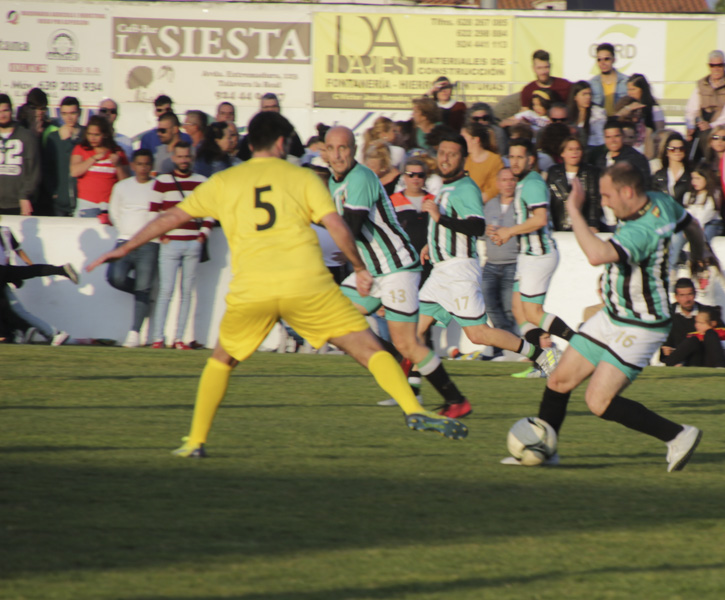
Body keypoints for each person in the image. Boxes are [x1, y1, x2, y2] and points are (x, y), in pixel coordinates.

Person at [88, 112, 469, 456]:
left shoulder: (225, 181)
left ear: (249, 143)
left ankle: (194, 441)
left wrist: (126, 248)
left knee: (221, 360)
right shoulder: (302, 176)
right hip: (307, 285)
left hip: (253, 290)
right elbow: (338, 225)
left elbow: (170, 217)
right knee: (369, 349)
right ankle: (413, 408)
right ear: (282, 143)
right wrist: (358, 265)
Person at [510, 163, 706, 470]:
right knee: (559, 380)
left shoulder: (641, 230)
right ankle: (546, 449)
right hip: (614, 315)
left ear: (627, 192)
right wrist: (700, 253)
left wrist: (573, 209)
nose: (603, 202)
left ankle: (678, 435)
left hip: (642, 326)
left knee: (598, 401)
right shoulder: (660, 201)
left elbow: (596, 255)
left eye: (606, 195)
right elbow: (691, 224)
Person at [323, 127, 475, 418]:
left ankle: (456, 400)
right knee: (333, 317)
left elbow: (350, 227)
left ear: (353, 150)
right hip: (371, 269)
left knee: (408, 342)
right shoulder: (333, 181)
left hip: (396, 268)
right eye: (332, 148)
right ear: (325, 153)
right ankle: (396, 361)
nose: (338, 154)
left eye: (343, 148)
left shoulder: (360, 177)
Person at [415, 131, 555, 376]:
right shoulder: (446, 186)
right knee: (412, 334)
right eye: (442, 153)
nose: (445, 158)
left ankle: (541, 355)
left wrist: (440, 218)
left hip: (458, 272)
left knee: (479, 334)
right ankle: (413, 398)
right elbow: (448, 224)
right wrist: (432, 242)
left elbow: (476, 226)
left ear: (463, 158)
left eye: (452, 154)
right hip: (441, 272)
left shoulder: (465, 188)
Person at [488, 140, 576, 372]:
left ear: (531, 160)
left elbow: (540, 219)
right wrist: (504, 234)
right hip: (527, 255)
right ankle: (544, 362)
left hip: (539, 255)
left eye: (520, 157)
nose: (515, 162)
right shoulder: (523, 183)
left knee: (533, 313)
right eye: (512, 157)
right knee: (519, 311)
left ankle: (578, 346)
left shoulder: (533, 183)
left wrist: (509, 231)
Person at [149, 142, 210, 350]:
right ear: (174, 158)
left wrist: (203, 234)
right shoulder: (162, 181)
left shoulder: (202, 182)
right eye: (181, 157)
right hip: (170, 243)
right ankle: (158, 337)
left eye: (187, 157)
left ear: (192, 158)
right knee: (166, 291)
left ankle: (179, 339)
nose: (184, 160)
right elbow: (153, 212)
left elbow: (211, 210)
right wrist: (162, 235)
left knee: (186, 294)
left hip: (193, 243)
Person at [106, 149, 161, 347]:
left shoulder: (159, 186)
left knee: (143, 286)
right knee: (115, 277)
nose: (143, 168)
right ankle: (143, 295)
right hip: (125, 241)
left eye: (147, 164)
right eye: (140, 164)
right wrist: (125, 232)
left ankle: (134, 333)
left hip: (150, 243)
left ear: (152, 166)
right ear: (133, 165)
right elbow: (115, 212)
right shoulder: (122, 186)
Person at [483, 167, 521, 342]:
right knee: (489, 305)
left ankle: (507, 344)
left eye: (512, 179)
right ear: (498, 183)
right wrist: (485, 230)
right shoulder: (489, 205)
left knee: (508, 308)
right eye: (504, 180)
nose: (508, 184)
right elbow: (480, 232)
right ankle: (505, 342)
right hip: (491, 264)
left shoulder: (521, 204)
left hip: (513, 263)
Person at [71, 115, 130, 223]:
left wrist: (118, 165)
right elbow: (74, 171)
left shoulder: (117, 151)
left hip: (109, 206)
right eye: (89, 134)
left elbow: (126, 181)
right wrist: (93, 158)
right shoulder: (80, 148)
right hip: (86, 205)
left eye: (96, 135)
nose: (92, 138)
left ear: (105, 134)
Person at [686, 50, 725, 161]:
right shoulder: (701, 84)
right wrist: (690, 126)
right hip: (703, 124)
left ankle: (714, 166)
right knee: (687, 142)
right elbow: (691, 109)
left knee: (708, 137)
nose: (716, 69)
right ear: (709, 66)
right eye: (713, 65)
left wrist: (712, 126)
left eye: (719, 65)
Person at [661, 277, 722, 363]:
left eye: (690, 294)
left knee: (709, 334)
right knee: (693, 341)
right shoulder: (667, 313)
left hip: (704, 358)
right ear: (676, 297)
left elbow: (724, 336)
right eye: (682, 295)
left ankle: (720, 369)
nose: (687, 299)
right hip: (678, 359)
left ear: (695, 294)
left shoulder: (708, 312)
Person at [547, 137, 602, 232]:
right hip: (559, 228)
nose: (574, 152)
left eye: (578, 149)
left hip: (585, 228)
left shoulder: (591, 172)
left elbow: (594, 200)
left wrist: (593, 224)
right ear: (562, 153)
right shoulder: (553, 172)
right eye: (570, 149)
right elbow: (550, 201)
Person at [41, 96, 82, 216]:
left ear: (79, 112)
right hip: (60, 202)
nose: (69, 117)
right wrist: (53, 192)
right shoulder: (53, 137)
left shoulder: (87, 136)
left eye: (72, 113)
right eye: (64, 113)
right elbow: (47, 168)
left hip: (83, 200)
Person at [0, 94, 40, 216]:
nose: (2, 115)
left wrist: (25, 195)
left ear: (12, 110)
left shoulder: (26, 136)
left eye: (5, 110)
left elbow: (34, 170)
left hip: (18, 204)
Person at [237, 93, 305, 162]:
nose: (270, 110)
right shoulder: (252, 135)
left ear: (279, 109)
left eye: (274, 106)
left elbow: (299, 157)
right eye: (266, 107)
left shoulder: (291, 135)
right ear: (261, 110)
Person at [593, 118, 651, 189]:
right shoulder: (600, 159)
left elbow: (645, 185)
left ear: (623, 136)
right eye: (608, 137)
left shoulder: (637, 159)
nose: (612, 140)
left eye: (616, 136)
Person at [462, 122, 501, 202]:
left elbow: (495, 188)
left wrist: (476, 200)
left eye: (463, 138)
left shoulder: (494, 160)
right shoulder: (464, 160)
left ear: (476, 139)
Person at [589, 43, 630, 116]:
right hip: (599, 123)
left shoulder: (626, 81)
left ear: (614, 60)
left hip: (620, 122)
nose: (602, 63)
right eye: (599, 60)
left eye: (606, 59)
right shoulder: (592, 83)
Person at [652, 133, 692, 208]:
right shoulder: (658, 176)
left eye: (681, 148)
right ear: (666, 152)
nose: (677, 151)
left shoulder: (691, 174)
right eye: (672, 149)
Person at [567, 81, 607, 150]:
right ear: (575, 97)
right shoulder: (568, 112)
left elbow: (600, 137)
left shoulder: (597, 113)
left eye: (589, 94)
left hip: (593, 148)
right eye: (584, 94)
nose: (588, 97)